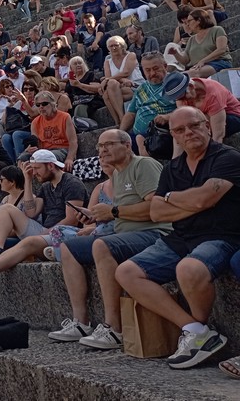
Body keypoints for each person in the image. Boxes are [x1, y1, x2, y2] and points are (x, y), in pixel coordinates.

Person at [115, 107, 240, 369]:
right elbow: (157, 210)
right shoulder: (173, 168)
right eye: (180, 130)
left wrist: (178, 199)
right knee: (126, 272)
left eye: (194, 126)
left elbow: (206, 197)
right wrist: (194, 202)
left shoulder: (227, 157)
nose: (188, 133)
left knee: (189, 268)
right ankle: (195, 330)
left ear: (207, 125)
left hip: (222, 235)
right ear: (174, 136)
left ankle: (200, 330)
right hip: (181, 236)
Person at [49, 130, 170, 350]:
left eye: (109, 144)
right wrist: (95, 216)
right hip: (124, 233)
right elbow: (119, 213)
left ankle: (114, 328)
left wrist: (113, 212)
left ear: (127, 145)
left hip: (154, 233)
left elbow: (157, 208)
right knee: (69, 247)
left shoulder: (143, 165)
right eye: (99, 146)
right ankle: (81, 322)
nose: (102, 150)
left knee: (102, 244)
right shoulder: (118, 173)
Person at [0, 150, 87, 270]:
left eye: (37, 168)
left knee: (8, 211)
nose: (34, 172)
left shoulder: (71, 184)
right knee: (6, 208)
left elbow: (72, 220)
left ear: (50, 166)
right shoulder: (45, 187)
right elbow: (31, 213)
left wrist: (47, 233)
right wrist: (28, 180)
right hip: (45, 231)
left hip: (64, 233)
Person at [160, 71, 240, 150]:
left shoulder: (213, 94)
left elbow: (218, 134)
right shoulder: (182, 96)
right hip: (205, 116)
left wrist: (214, 156)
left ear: (191, 86)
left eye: (182, 97)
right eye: (178, 99)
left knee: (198, 122)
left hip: (232, 116)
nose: (181, 100)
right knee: (181, 125)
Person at [119, 51, 176, 154]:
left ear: (165, 66)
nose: (152, 73)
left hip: (163, 135)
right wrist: (120, 133)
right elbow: (131, 113)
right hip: (137, 136)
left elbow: (186, 109)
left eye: (156, 69)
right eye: (148, 70)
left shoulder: (174, 83)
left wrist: (167, 117)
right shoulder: (141, 88)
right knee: (113, 146)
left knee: (141, 142)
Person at [167, 8, 231, 78]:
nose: (187, 24)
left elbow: (221, 49)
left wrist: (203, 61)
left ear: (198, 20)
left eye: (189, 21)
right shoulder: (192, 39)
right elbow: (185, 61)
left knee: (187, 75)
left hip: (218, 63)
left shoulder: (217, 30)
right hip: (198, 67)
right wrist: (175, 54)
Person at [100, 36, 144, 126]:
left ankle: (120, 120)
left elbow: (126, 72)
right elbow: (109, 78)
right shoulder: (107, 61)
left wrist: (108, 79)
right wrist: (121, 79)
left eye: (116, 45)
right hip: (119, 87)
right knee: (108, 90)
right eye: (111, 46)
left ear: (123, 45)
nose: (114, 48)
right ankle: (120, 119)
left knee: (107, 94)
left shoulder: (130, 55)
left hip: (135, 85)